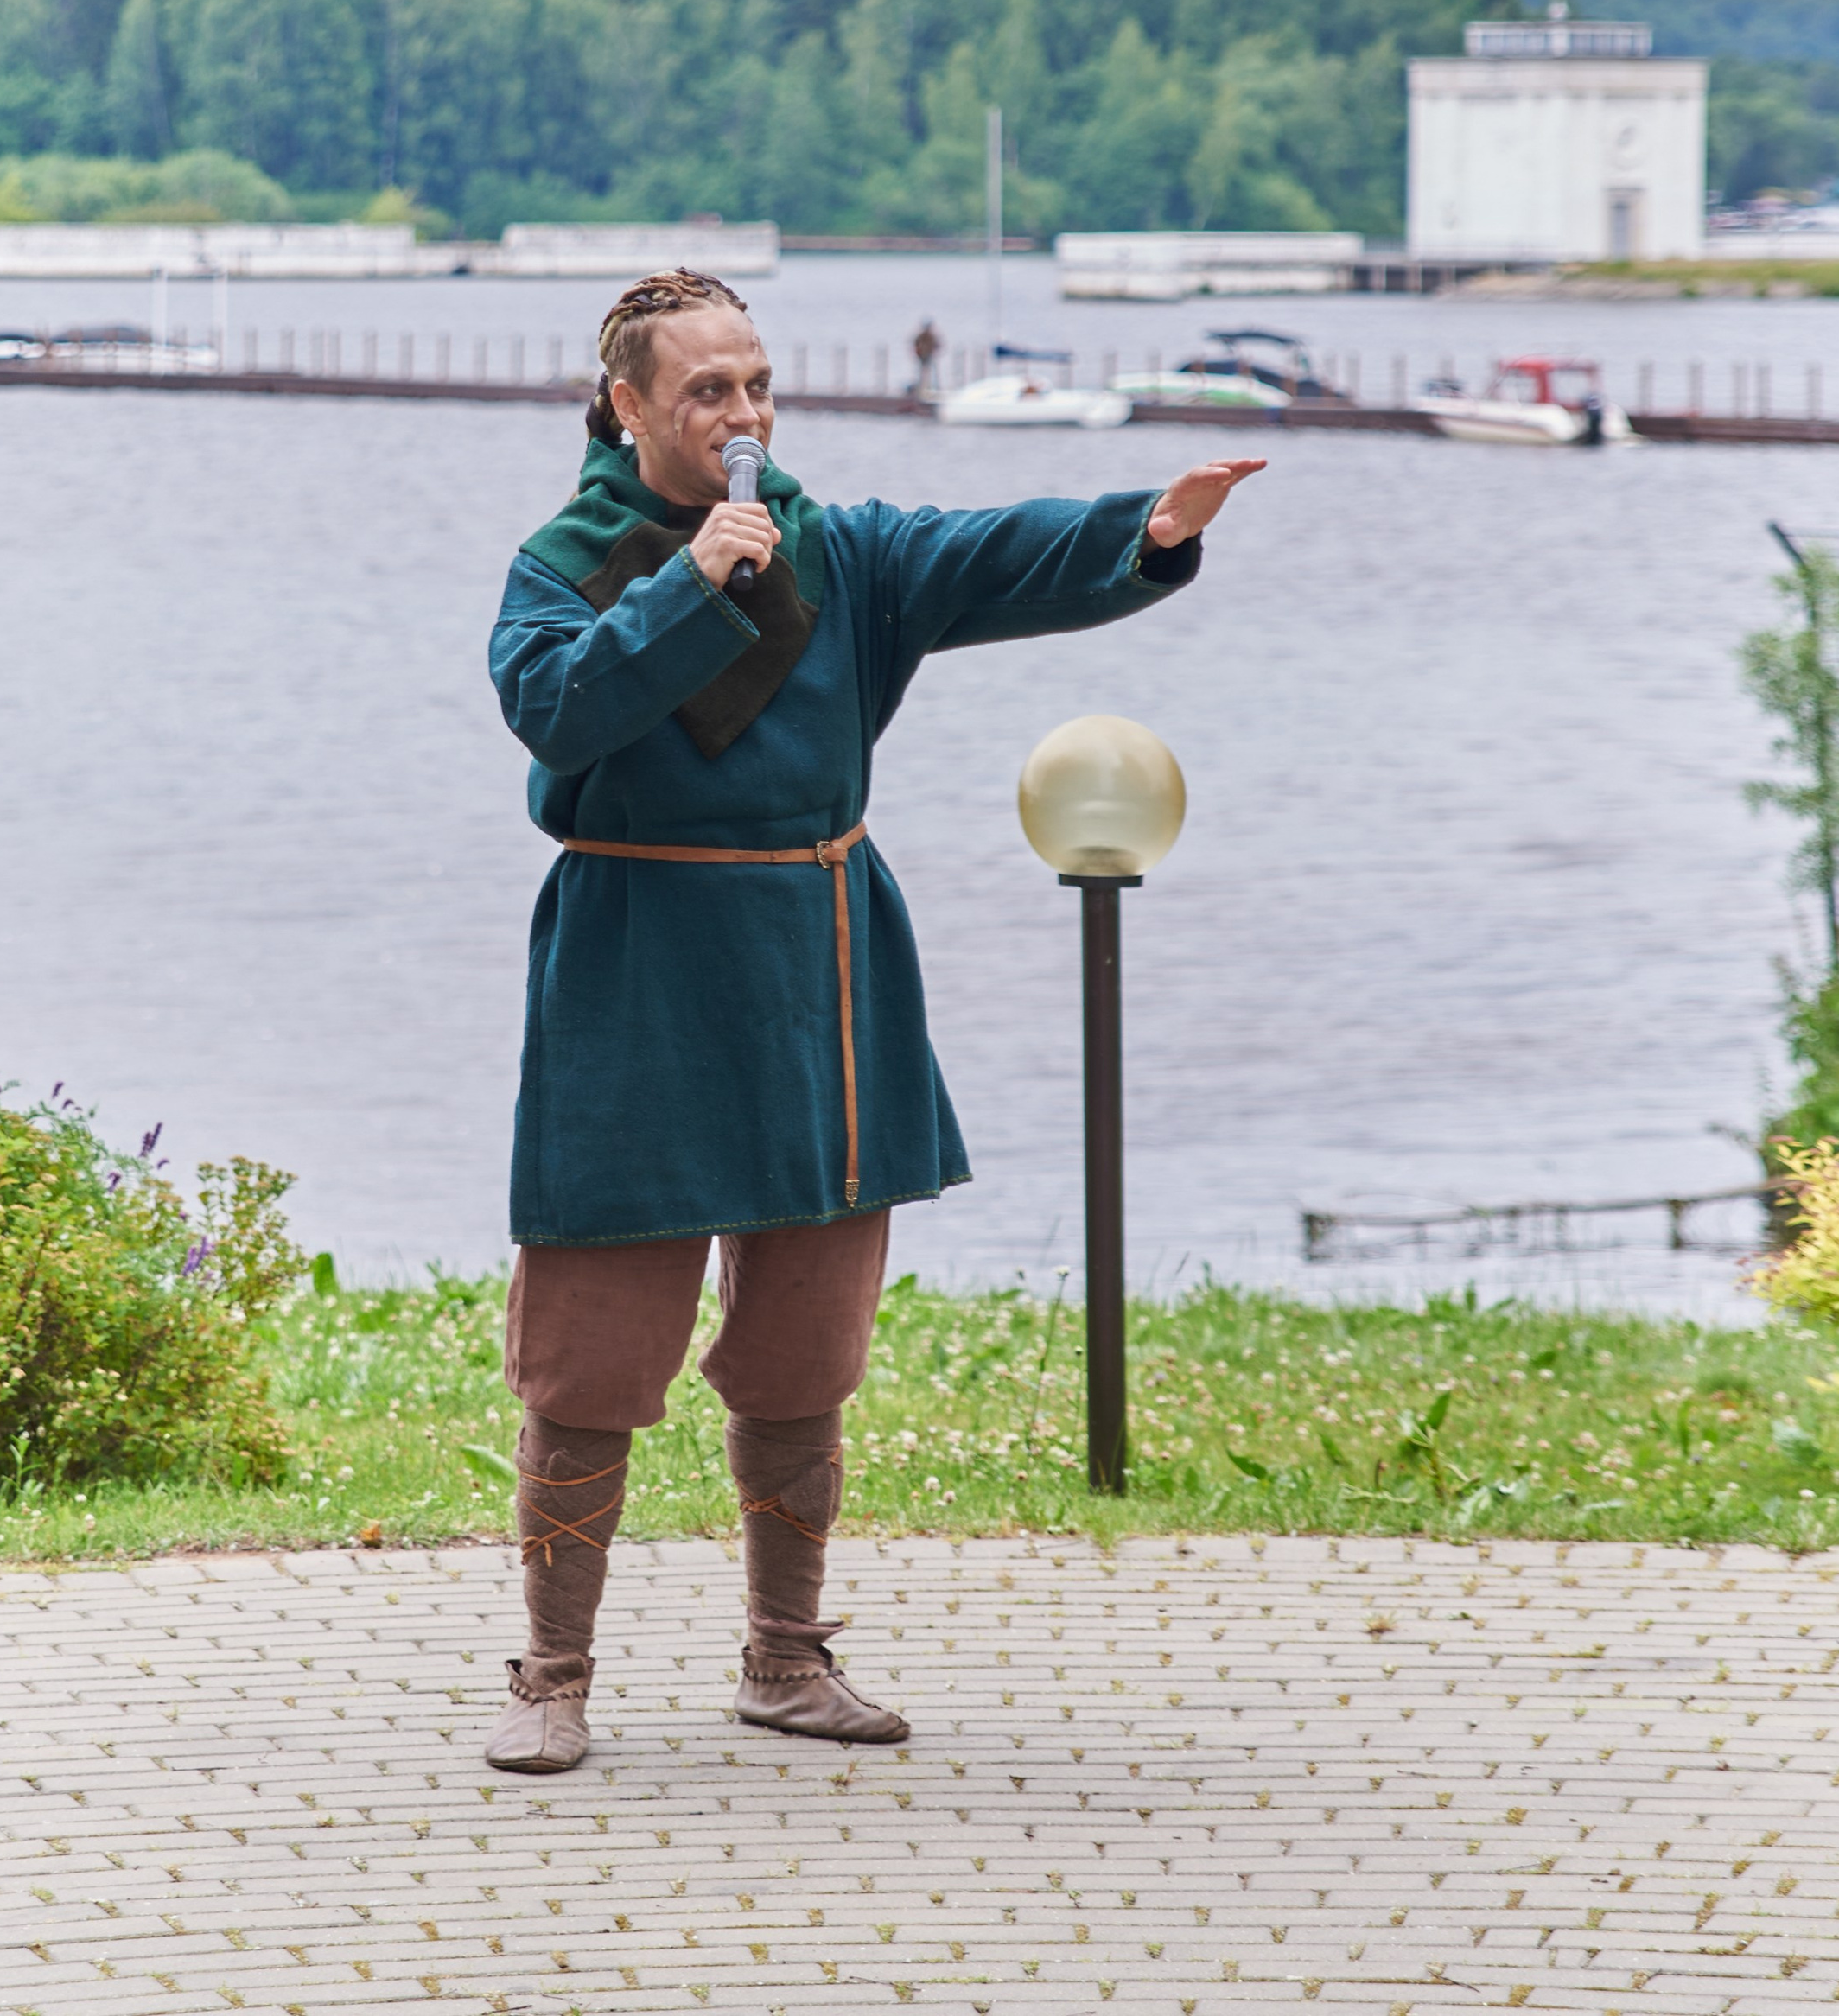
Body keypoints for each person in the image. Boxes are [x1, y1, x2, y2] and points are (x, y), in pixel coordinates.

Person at [484, 267, 1261, 1774]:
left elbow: (985, 552)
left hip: (820, 969)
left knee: (806, 1341)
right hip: (635, 971)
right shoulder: (559, 566)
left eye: (759, 385)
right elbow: (558, 712)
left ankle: (785, 1659)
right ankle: (553, 1674)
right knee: (589, 1352)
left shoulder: (838, 553)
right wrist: (688, 583)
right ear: (627, 405)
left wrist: (1149, 530)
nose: (746, 416)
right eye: (708, 391)